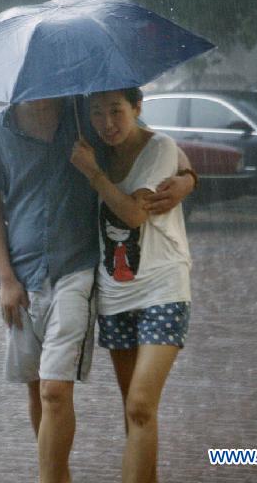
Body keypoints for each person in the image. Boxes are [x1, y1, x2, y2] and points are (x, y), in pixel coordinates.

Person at [0, 95, 194, 483]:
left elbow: (144, 141)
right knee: (44, 392)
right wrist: (6, 279)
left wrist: (189, 177)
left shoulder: (83, 117)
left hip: (81, 270)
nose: (107, 120)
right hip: (27, 277)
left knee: (68, 393)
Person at [70, 88, 194, 483]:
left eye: (116, 111)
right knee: (135, 411)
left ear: (137, 108)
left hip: (163, 286)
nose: (108, 123)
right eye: (97, 113)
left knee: (141, 404)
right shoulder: (95, 149)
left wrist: (93, 174)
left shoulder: (159, 147)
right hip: (115, 293)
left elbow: (134, 214)